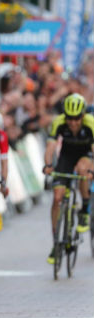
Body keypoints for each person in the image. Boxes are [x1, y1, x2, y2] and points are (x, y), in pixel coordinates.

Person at [43, 93, 94, 264]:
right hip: (66, 156)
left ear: (83, 115)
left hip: (86, 155)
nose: (72, 122)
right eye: (69, 118)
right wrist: (48, 165)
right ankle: (56, 241)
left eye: (76, 118)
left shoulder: (90, 124)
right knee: (57, 197)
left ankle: (85, 206)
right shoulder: (59, 122)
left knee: (82, 170)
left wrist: (91, 171)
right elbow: (50, 147)